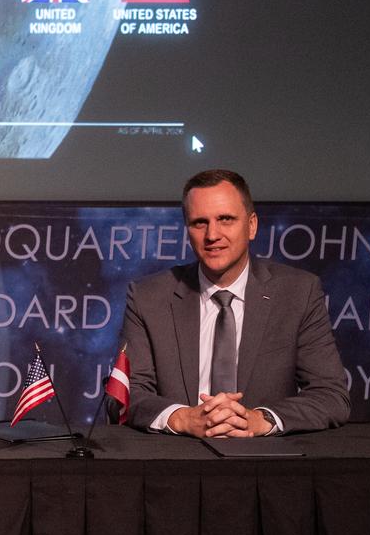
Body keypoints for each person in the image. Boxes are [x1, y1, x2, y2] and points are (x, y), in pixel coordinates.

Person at [121, 168, 349, 436]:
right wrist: (182, 419)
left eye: (226, 219)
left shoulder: (298, 293)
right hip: (178, 460)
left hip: (263, 465)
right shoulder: (149, 297)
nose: (212, 235)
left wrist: (261, 420)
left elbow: (331, 396)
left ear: (251, 225)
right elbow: (125, 394)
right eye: (199, 223)